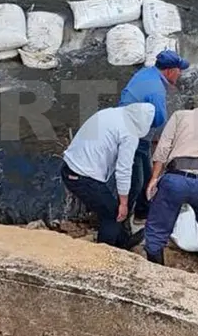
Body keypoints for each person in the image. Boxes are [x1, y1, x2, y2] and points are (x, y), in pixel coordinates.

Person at [143, 94, 198, 265]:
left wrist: (154, 178)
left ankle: (156, 269)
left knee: (157, 228)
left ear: (191, 106)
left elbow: (163, 148)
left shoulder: (179, 116)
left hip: (176, 179)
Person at [62, 102, 156, 249]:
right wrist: (124, 203)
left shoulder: (109, 113)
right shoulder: (130, 134)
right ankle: (104, 255)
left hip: (68, 167)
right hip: (83, 176)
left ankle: (123, 242)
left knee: (107, 206)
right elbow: (123, 170)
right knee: (113, 214)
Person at [118, 49, 190, 229]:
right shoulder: (157, 90)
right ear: (169, 71)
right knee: (137, 179)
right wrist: (162, 140)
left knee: (147, 173)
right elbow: (159, 119)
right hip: (133, 135)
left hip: (124, 122)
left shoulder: (145, 73)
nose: (180, 73)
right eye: (178, 69)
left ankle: (142, 212)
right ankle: (123, 217)